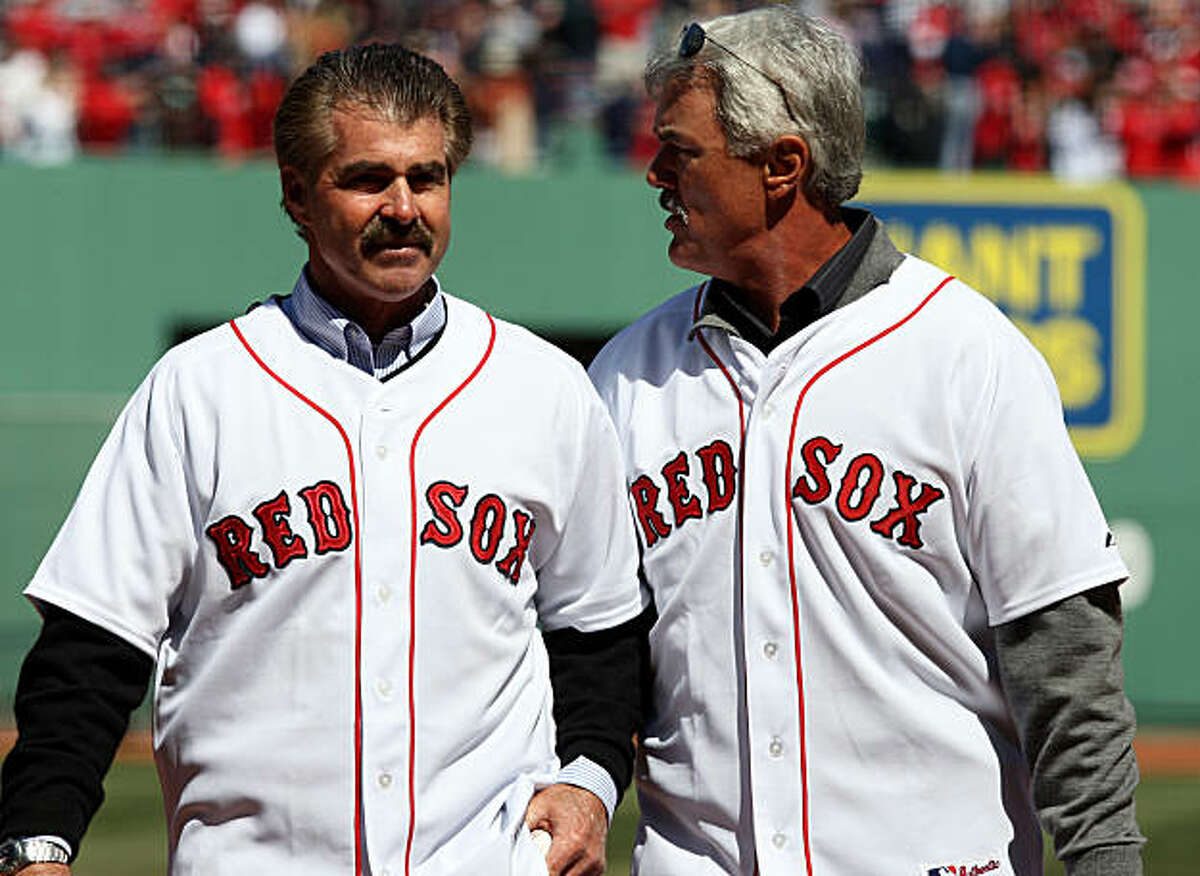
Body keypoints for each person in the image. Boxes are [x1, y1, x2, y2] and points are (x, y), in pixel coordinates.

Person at [0, 43, 647, 876]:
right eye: (369, 178)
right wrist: (37, 844)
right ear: (297, 195)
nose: (405, 206)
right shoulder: (201, 388)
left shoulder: (543, 388)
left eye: (429, 176)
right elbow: (92, 650)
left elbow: (599, 635)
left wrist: (589, 779)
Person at [587, 6, 1144, 875]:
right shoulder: (626, 376)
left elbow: (1064, 655)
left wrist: (1105, 860)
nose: (655, 171)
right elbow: (593, 652)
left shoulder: (965, 352)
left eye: (682, 150)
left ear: (782, 166)